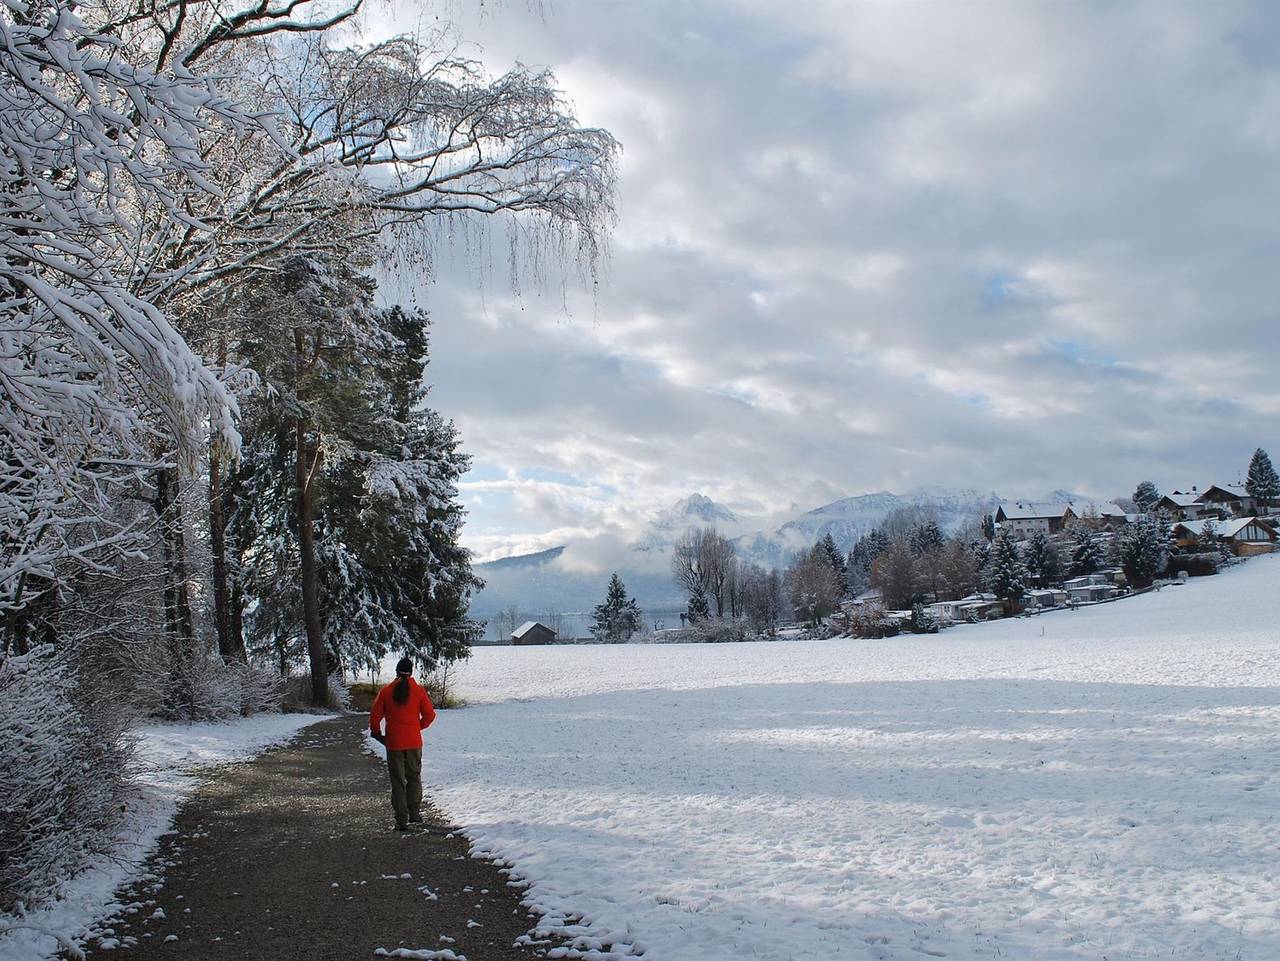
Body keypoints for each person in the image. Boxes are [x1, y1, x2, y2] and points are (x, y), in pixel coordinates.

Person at [369, 657, 436, 831]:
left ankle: (401, 820)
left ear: (397, 671)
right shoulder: (419, 691)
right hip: (414, 742)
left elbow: (375, 716)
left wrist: (377, 732)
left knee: (398, 781)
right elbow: (430, 715)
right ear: (411, 671)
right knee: (414, 777)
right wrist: (416, 727)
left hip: (394, 743)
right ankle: (414, 813)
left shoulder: (386, 691)